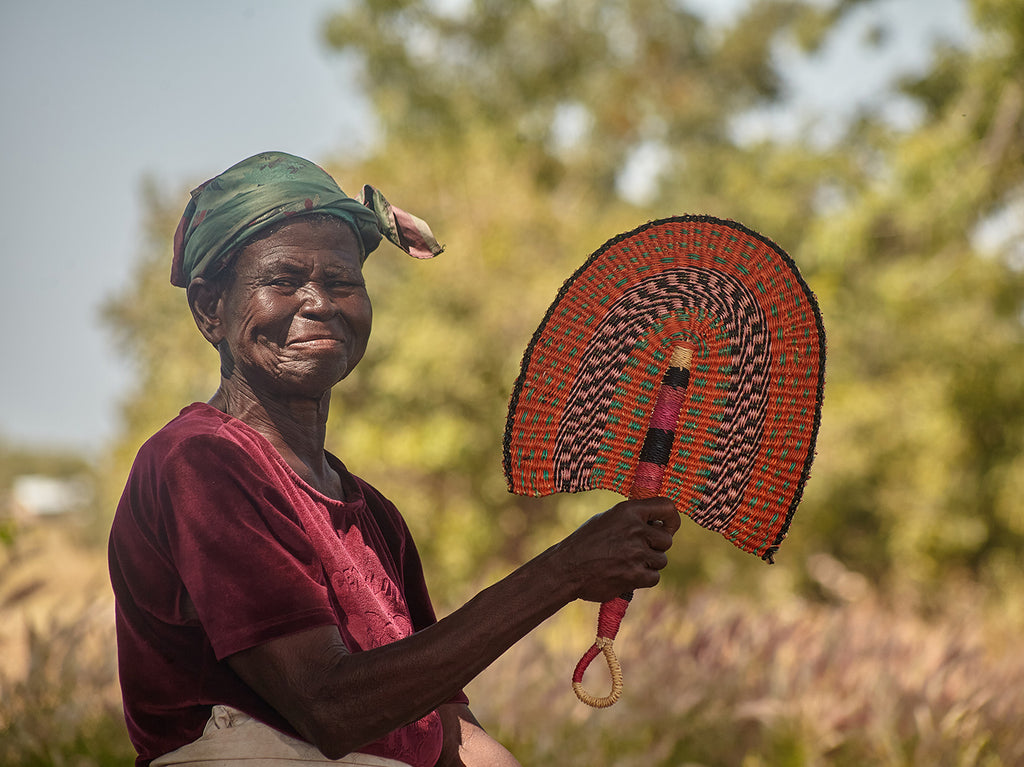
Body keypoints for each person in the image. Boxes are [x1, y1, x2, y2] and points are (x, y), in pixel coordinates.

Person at [108, 151, 680, 767]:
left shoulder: (376, 517)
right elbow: (330, 708)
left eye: (341, 282)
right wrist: (564, 572)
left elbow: (446, 731)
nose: (319, 303)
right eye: (283, 281)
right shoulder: (201, 463)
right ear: (209, 309)